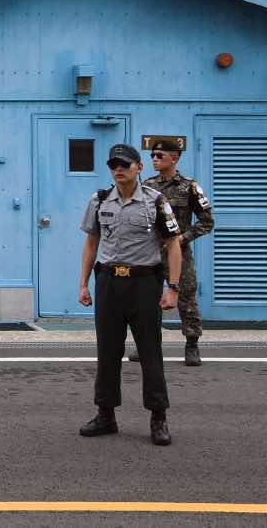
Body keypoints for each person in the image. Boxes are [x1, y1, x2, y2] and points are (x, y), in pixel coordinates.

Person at [78, 143, 182, 447]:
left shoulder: (156, 201)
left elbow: (173, 244)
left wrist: (172, 288)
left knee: (150, 352)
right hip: (109, 282)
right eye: (114, 165)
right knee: (107, 352)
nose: (118, 169)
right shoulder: (99, 201)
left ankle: (158, 417)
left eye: (124, 164)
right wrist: (83, 284)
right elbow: (90, 244)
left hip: (144, 284)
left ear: (139, 167)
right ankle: (105, 415)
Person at [143, 139, 214, 366]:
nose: (154, 159)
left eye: (160, 155)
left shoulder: (189, 186)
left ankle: (192, 345)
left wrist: (182, 238)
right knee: (146, 299)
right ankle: (146, 345)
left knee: (186, 298)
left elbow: (206, 222)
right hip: (150, 252)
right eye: (153, 155)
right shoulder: (146, 186)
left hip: (178, 252)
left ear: (174, 158)